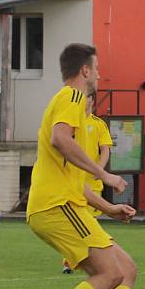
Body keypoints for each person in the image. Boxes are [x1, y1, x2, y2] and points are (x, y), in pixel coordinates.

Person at [25, 43, 145, 289]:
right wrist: (103, 173)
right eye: (96, 68)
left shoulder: (70, 105)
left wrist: (108, 208)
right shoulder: (73, 98)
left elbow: (72, 178)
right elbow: (59, 139)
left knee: (126, 268)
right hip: (57, 206)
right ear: (84, 71)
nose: (98, 74)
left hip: (62, 204)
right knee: (109, 272)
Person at [62, 92, 112, 273]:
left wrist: (100, 169)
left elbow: (105, 149)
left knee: (87, 222)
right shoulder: (70, 124)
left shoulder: (99, 124)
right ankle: (72, 260)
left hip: (91, 183)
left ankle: (77, 259)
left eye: (87, 98)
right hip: (72, 181)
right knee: (75, 222)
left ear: (92, 101)